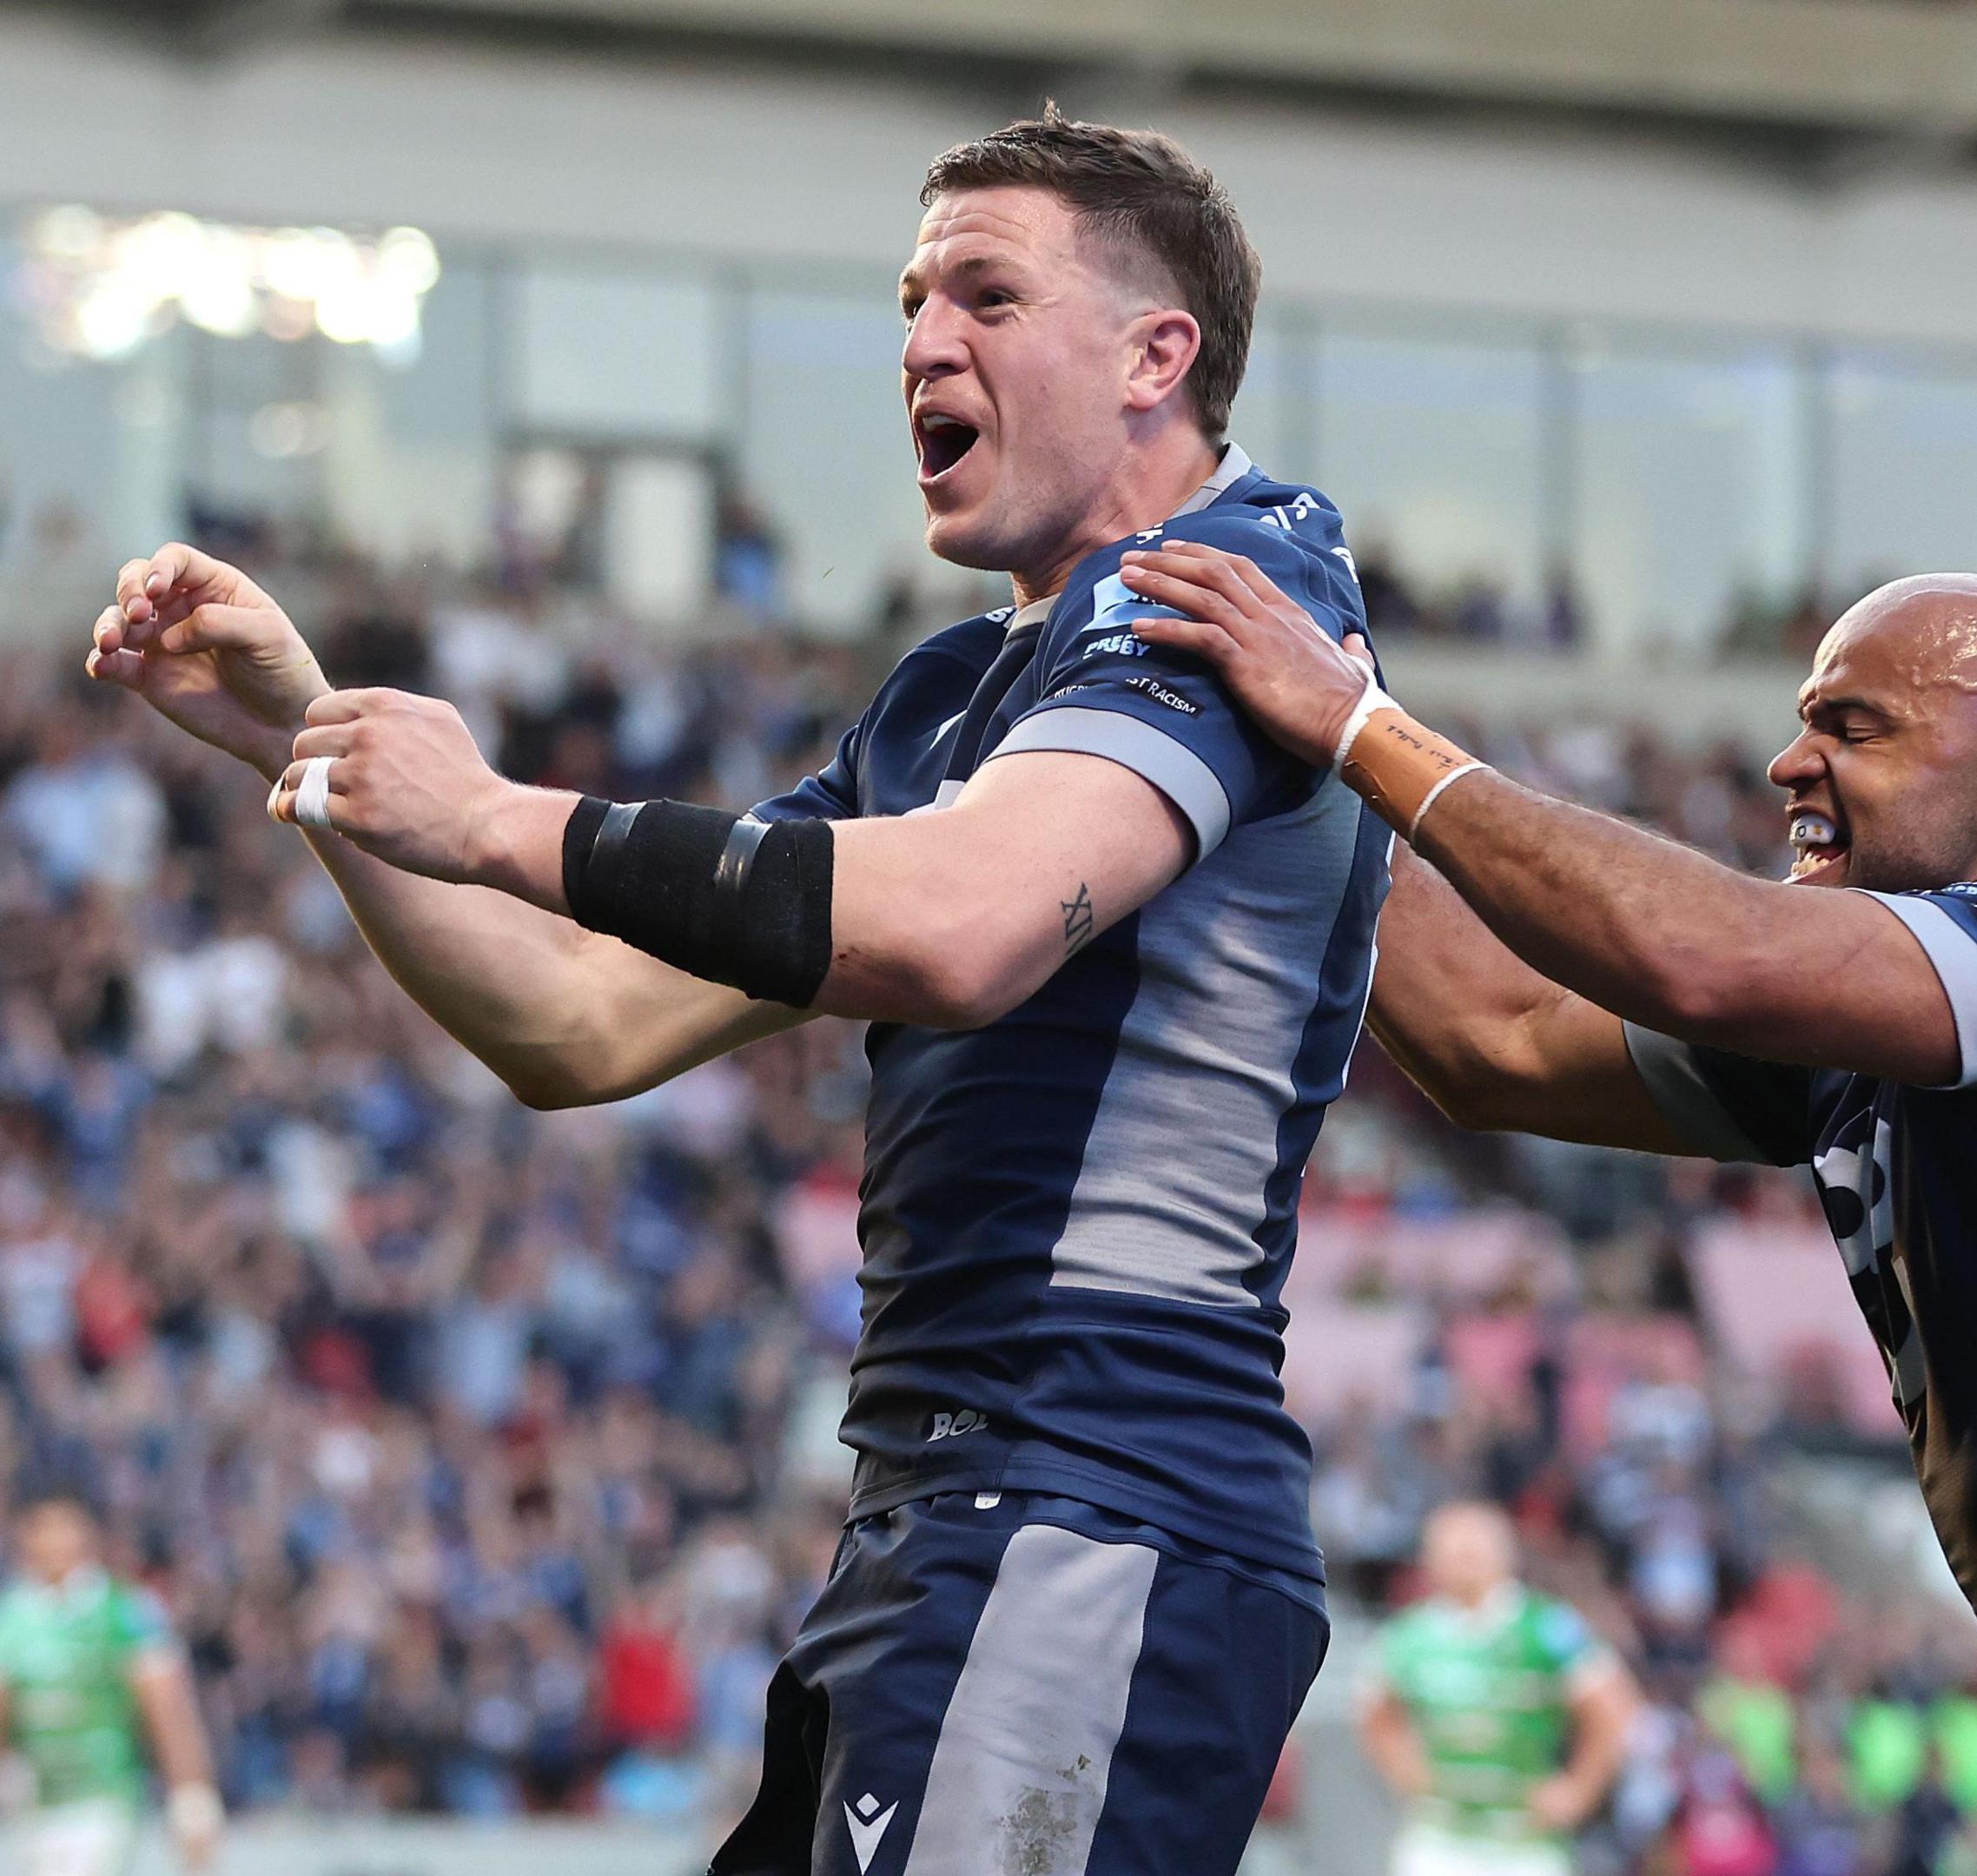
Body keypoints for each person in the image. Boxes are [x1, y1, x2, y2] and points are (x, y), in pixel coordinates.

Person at [85, 112, 1385, 1876]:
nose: (926, 340)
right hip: (949, 1524)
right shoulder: (946, 697)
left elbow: (964, 928)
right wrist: (302, 742)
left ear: (1161, 355)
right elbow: (578, 1021)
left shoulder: (1243, 585)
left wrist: (497, 811)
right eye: (916, 300)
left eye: (989, 295)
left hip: (1101, 1509)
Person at [1103, 548, 1977, 1873]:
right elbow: (1498, 1039)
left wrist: (1360, 729)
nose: (1792, 763)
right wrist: (1289, 764)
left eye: (1856, 727)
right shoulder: (1888, 1028)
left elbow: (1699, 954)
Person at [1357, 1502, 1638, 1876]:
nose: (1463, 1559)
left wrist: (1578, 1791)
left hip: (1522, 1844)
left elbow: (1615, 1709)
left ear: (1505, 1554)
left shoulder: (1548, 1630)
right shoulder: (1410, 1635)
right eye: (1452, 1550)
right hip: (1439, 1838)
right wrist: (1402, 1767)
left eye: (1473, 1549)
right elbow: (1374, 1711)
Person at [0, 1496, 219, 1876]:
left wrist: (191, 1794)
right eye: (45, 1528)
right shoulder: (13, 1616)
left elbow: (166, 1704)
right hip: (34, 1806)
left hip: (102, 1803)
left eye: (66, 1527)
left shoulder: (124, 1610)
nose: (56, 1541)